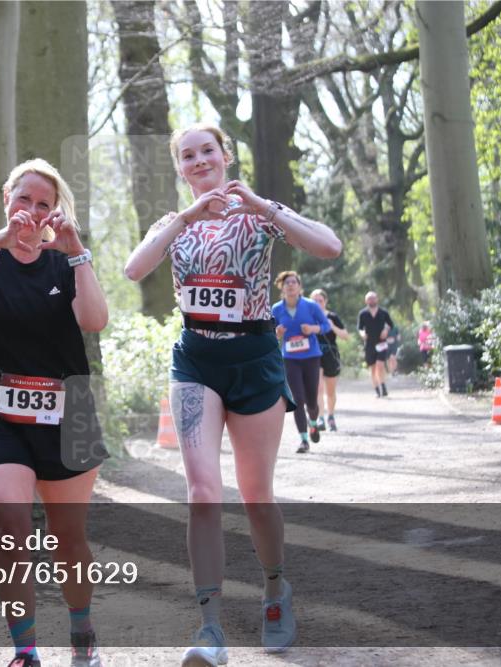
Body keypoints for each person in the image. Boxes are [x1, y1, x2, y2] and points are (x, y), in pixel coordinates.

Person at [124, 123, 341, 662]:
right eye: (188, 155)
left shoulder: (258, 216)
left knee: (255, 496)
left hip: (254, 359)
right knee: (201, 492)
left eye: (207, 151)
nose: (199, 161)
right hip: (196, 359)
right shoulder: (176, 224)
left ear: (225, 156)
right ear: (180, 168)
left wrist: (263, 205)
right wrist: (184, 219)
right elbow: (134, 268)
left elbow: (330, 246)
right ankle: (210, 628)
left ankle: (274, 590)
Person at [0, 158, 109, 667]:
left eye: (44, 204)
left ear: (55, 212)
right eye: (24, 200)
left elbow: (95, 320)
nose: (32, 211)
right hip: (1, 417)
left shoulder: (68, 261)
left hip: (71, 412)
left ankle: (81, 629)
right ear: (5, 200)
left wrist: (77, 251)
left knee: (69, 540)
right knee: (11, 524)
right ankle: (26, 651)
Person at [271, 272, 331, 453]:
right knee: (297, 399)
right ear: (282, 287)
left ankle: (313, 422)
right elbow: (269, 333)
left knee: (312, 399)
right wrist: (277, 333)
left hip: (311, 357)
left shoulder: (311, 306)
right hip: (290, 359)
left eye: (293, 282)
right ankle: (304, 439)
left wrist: (313, 328)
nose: (290, 285)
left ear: (299, 286)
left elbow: (326, 325)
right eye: (286, 282)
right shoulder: (276, 309)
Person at [309, 288, 349, 432]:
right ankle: (320, 418)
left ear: (325, 302)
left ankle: (330, 416)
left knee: (330, 392)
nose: (318, 303)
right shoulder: (308, 316)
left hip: (330, 355)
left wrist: (332, 327)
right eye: (314, 300)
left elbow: (345, 335)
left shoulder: (332, 316)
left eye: (320, 300)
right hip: (313, 355)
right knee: (318, 387)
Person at [357, 291, 395, 397]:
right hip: (369, 344)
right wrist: (362, 334)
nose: (371, 300)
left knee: (380, 365)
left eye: (373, 298)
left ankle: (383, 386)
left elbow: (391, 324)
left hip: (381, 343)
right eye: (369, 298)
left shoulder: (383, 312)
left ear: (377, 299)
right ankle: (377, 389)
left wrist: (386, 330)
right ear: (366, 301)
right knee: (373, 368)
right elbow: (359, 328)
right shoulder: (363, 314)